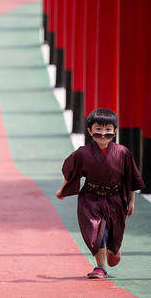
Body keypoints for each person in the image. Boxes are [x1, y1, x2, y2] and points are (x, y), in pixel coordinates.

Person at [56, 108, 145, 279]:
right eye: (98, 131)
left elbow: (131, 178)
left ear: (115, 131)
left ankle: (113, 250)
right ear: (89, 131)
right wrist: (62, 189)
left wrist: (131, 201)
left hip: (116, 199)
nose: (103, 135)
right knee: (96, 233)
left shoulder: (123, 152)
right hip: (91, 198)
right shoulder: (82, 153)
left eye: (108, 132)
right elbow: (72, 173)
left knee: (114, 236)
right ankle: (100, 267)